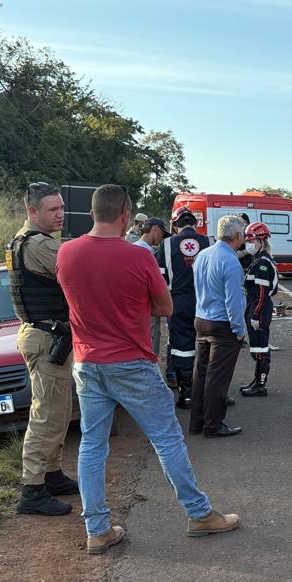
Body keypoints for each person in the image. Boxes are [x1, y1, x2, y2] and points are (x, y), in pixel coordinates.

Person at [56, 184, 240, 553]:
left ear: (92, 214)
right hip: (131, 362)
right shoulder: (137, 257)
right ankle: (199, 513)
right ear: (125, 216)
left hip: (87, 362)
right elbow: (165, 307)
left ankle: (98, 529)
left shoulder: (66, 253)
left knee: (92, 445)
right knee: (167, 438)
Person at [7, 182, 80, 516]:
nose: (61, 214)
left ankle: (51, 474)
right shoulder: (37, 244)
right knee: (47, 412)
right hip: (46, 337)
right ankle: (32, 489)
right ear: (32, 211)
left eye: (62, 207)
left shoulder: (31, 240)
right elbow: (78, 271)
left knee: (59, 409)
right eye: (53, 209)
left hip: (48, 336)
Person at [190, 215, 247, 437]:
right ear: (237, 236)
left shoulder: (203, 255)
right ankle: (213, 425)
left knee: (201, 373)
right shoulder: (231, 261)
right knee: (218, 378)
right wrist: (239, 329)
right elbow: (233, 301)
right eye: (242, 233)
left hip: (201, 319)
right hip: (222, 324)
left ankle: (197, 422)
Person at [157, 207, 210, 408]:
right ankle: (206, 391)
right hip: (204, 301)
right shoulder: (208, 242)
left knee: (181, 348)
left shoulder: (167, 244)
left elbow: (159, 277)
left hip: (177, 302)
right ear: (194, 224)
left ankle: (186, 395)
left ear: (175, 225)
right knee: (207, 346)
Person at [239, 222, 277, 397]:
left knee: (261, 348)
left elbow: (262, 292)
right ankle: (257, 380)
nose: (249, 244)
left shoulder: (262, 263)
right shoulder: (259, 259)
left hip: (259, 307)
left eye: (252, 240)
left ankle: (261, 385)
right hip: (255, 305)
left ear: (262, 241)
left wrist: (255, 314)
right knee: (256, 347)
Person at [137, 218, 170, 356]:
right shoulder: (148, 252)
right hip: (147, 302)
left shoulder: (133, 246)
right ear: (155, 228)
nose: (163, 237)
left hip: (136, 303)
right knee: (151, 338)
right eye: (163, 232)